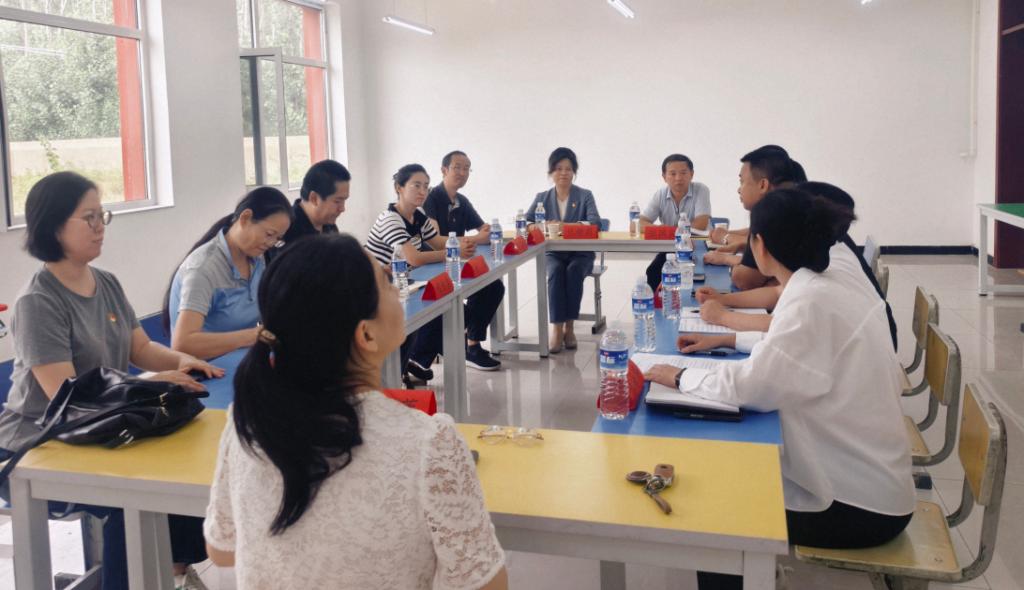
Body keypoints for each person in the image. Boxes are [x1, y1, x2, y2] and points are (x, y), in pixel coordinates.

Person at [203, 234, 508, 589]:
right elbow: (486, 584)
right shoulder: (428, 442)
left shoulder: (246, 422)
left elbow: (221, 550)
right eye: (388, 283)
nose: (399, 290)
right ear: (366, 335)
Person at [645, 189, 913, 590]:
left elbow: (752, 386)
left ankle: (755, 575)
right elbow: (795, 348)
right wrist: (728, 340)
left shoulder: (811, 299)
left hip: (859, 505)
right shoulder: (823, 281)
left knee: (713, 517)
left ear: (760, 246)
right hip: (870, 480)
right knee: (733, 472)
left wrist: (681, 377)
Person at [0, 171, 223, 590]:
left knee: (182, 470)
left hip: (98, 430)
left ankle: (168, 570)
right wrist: (154, 382)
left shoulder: (106, 282)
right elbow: (68, 395)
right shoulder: (37, 302)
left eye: (101, 215)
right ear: (54, 226)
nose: (100, 226)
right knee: (132, 500)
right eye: (89, 218)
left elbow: (142, 348)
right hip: (37, 443)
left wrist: (184, 360)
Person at [695, 181, 898, 351]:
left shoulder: (815, 285)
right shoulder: (827, 251)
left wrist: (723, 316)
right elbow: (778, 293)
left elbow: (782, 326)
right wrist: (723, 300)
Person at [365, 164, 474, 382]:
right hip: (379, 289)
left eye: (426, 186)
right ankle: (398, 372)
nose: (422, 191)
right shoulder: (391, 219)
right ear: (399, 187)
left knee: (457, 311)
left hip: (406, 284)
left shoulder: (417, 215)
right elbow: (413, 258)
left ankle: (412, 361)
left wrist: (466, 242)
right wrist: (453, 251)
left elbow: (437, 241)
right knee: (440, 314)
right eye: (416, 185)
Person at [163, 187, 292, 360]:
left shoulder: (256, 259)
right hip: (205, 368)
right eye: (269, 234)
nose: (270, 243)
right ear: (245, 218)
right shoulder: (203, 268)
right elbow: (183, 344)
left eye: (277, 239)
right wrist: (252, 336)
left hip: (239, 361)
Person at [422, 150, 503, 370]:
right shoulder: (431, 199)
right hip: (433, 265)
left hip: (456, 264)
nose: (462, 172)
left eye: (466, 169)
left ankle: (472, 345)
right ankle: (429, 354)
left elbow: (485, 230)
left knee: (493, 287)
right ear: (444, 170)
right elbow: (435, 241)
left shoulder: (461, 201)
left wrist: (478, 236)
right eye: (457, 167)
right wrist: (474, 239)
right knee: (463, 304)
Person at [525, 147, 601, 353]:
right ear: (551, 172)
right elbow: (526, 222)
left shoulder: (585, 195)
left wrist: (564, 226)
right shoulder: (542, 197)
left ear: (574, 171)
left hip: (581, 253)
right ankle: (557, 329)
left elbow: (595, 223)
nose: (563, 173)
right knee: (556, 271)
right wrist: (537, 226)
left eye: (568, 169)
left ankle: (570, 327)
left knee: (574, 270)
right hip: (553, 253)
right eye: (558, 169)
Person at [704, 145, 806, 290]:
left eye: (742, 182)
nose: (739, 189)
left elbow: (744, 280)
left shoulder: (773, 214)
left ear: (763, 185)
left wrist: (728, 258)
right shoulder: (796, 204)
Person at [637, 154, 711, 292]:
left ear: (691, 174)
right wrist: (662, 230)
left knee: (694, 277)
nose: (678, 178)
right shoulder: (660, 194)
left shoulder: (701, 190)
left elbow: (700, 224)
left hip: (699, 246)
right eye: (672, 173)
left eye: (683, 173)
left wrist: (666, 231)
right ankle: (658, 304)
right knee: (653, 272)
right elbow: (638, 224)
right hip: (671, 247)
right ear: (664, 177)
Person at [265, 159, 351, 262]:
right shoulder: (286, 231)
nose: (342, 209)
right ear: (314, 198)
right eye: (337, 201)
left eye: (344, 201)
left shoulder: (328, 226)